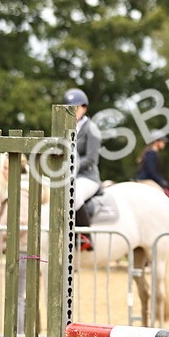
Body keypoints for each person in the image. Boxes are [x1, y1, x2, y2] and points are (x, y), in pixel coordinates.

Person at [66, 87, 100, 250]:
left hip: (87, 177)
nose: (73, 111)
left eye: (76, 107)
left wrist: (70, 167)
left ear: (84, 108)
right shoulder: (66, 128)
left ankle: (86, 237)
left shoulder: (91, 129)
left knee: (74, 195)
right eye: (69, 108)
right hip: (68, 177)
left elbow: (91, 159)